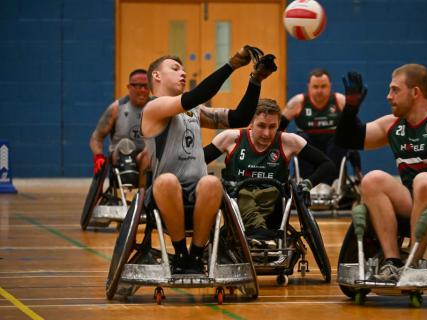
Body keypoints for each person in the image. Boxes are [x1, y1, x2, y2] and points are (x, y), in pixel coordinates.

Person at [335, 64, 427, 281]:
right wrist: (351, 108)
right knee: (373, 179)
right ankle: (393, 262)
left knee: (424, 180)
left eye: (395, 90)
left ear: (415, 92)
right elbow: (346, 140)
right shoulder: (392, 125)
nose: (388, 96)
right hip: (416, 202)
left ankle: (412, 265)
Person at [141, 46, 277, 274]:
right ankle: (180, 253)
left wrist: (256, 80)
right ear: (156, 75)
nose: (182, 73)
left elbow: (240, 117)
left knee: (213, 182)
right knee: (166, 181)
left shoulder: (194, 111)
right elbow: (198, 94)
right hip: (163, 198)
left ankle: (196, 255)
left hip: (201, 196)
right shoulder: (153, 107)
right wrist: (232, 64)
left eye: (183, 69)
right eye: (175, 68)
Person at [204, 98, 335, 247]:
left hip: (273, 205)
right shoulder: (231, 138)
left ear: (279, 124)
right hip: (237, 203)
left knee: (273, 192)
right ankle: (259, 234)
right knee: (243, 193)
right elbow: (198, 162)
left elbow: (327, 164)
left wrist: (307, 183)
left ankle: (258, 235)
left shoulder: (288, 141)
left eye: (272, 127)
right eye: (261, 126)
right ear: (251, 123)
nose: (266, 133)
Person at [279, 68, 361, 184]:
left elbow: (356, 128)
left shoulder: (340, 100)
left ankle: (340, 181)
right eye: (315, 87)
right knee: (299, 139)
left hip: (333, 145)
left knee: (343, 138)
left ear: (330, 86)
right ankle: (307, 182)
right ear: (309, 86)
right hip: (308, 145)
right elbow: (279, 129)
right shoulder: (298, 102)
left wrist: (357, 167)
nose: (319, 90)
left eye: (323, 86)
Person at [89, 69, 151, 186]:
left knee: (149, 153)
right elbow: (96, 137)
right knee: (125, 144)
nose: (143, 90)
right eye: (138, 86)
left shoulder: (158, 107)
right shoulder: (116, 109)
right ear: (129, 87)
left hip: (147, 158)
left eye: (146, 86)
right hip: (121, 157)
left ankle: (144, 196)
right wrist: (98, 156)